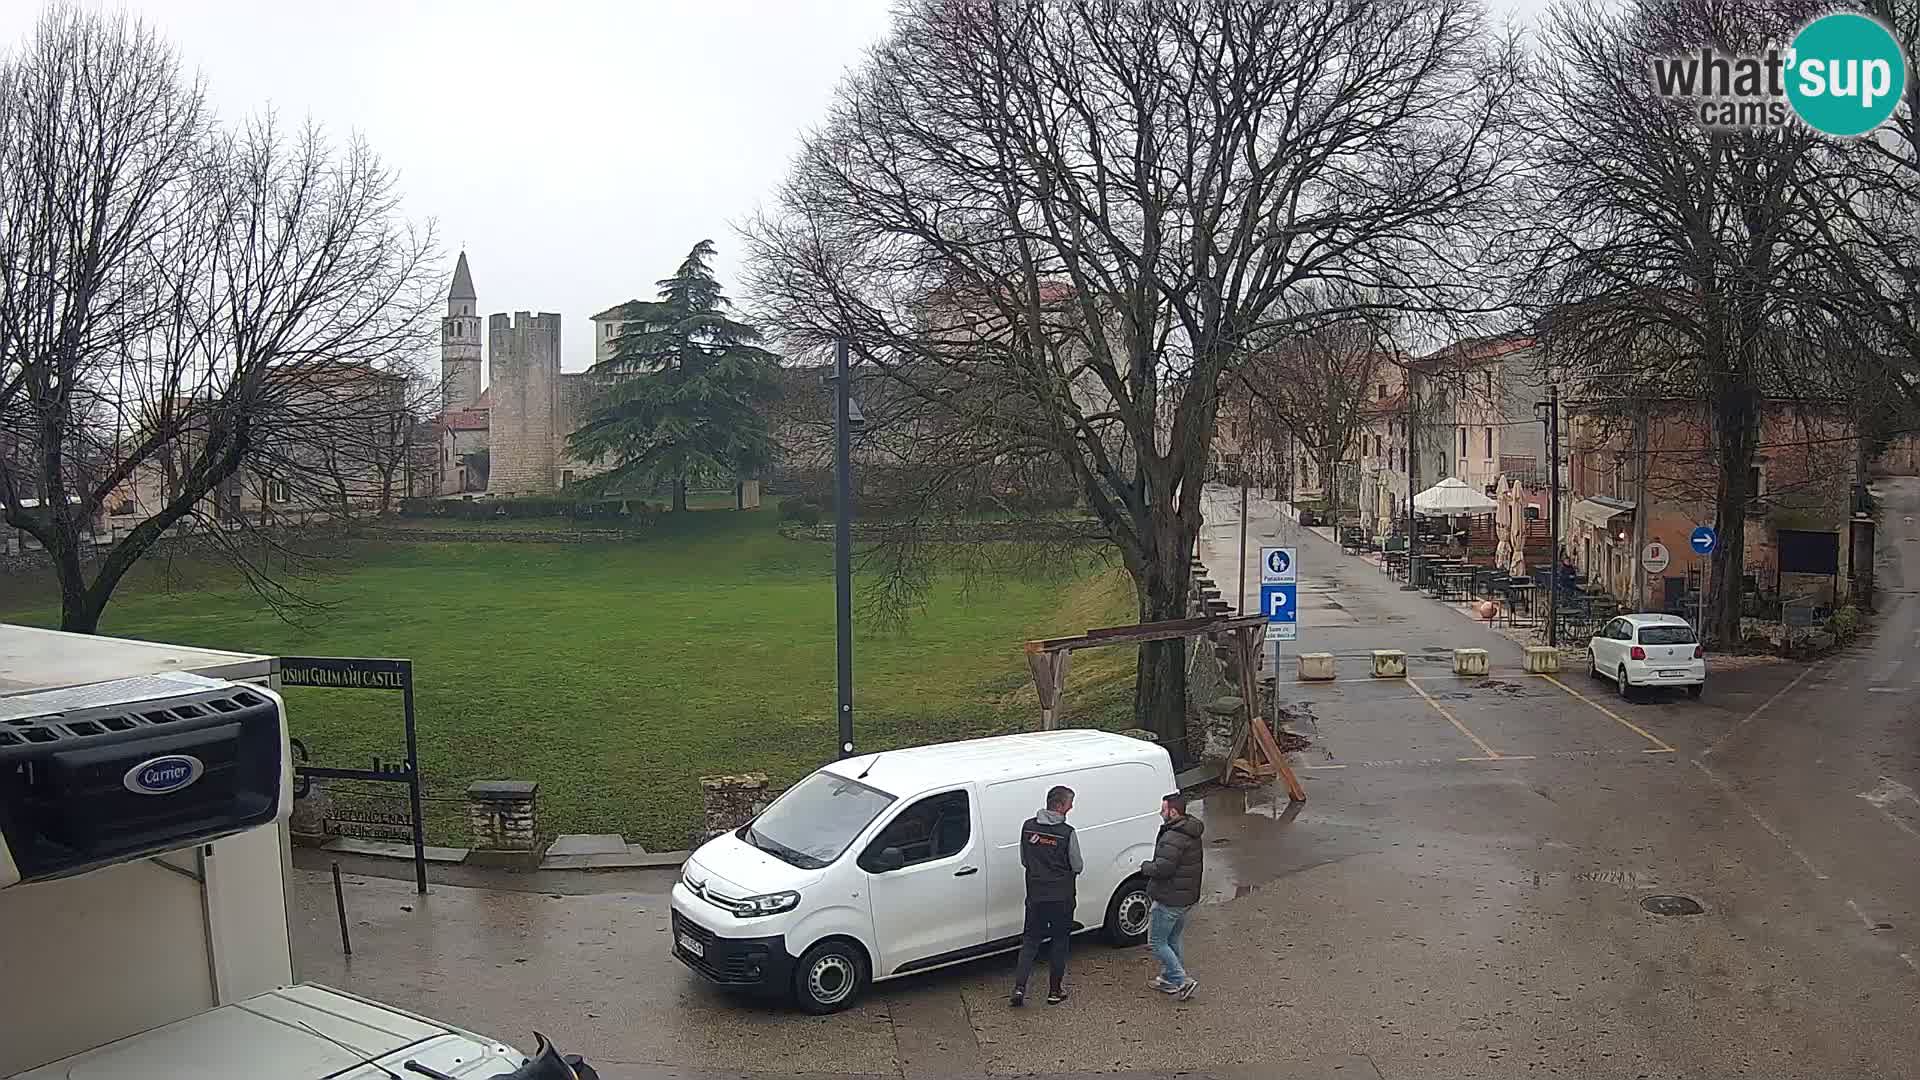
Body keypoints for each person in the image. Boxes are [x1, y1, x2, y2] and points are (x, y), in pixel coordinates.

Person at [1010, 784, 1081, 1007]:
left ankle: (1019, 989)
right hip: (1061, 897)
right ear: (1059, 805)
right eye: (1070, 802)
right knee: (1059, 942)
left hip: (1036, 895)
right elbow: (1077, 865)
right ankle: (1054, 992)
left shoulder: (1028, 827)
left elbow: (1024, 860)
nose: (1071, 807)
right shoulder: (1067, 833)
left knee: (1030, 941)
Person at [1139, 791, 1204, 1000]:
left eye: (1163, 809)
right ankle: (1170, 980)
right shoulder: (1190, 830)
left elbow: (1163, 868)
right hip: (1185, 898)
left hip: (1170, 898)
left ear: (1173, 812)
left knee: (1157, 942)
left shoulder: (1173, 837)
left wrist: (1146, 867)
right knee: (1172, 938)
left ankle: (1182, 980)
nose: (1161, 812)